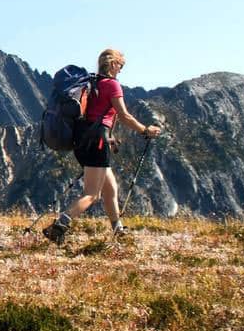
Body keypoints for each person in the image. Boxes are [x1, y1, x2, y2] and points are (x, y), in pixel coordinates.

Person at [43, 48, 161, 244]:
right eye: (121, 65)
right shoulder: (113, 85)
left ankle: (118, 230)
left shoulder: (91, 82)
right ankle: (59, 227)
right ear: (113, 64)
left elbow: (98, 115)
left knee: (110, 189)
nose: (121, 70)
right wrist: (145, 130)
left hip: (83, 139)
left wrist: (111, 138)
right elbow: (123, 115)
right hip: (97, 141)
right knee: (92, 194)